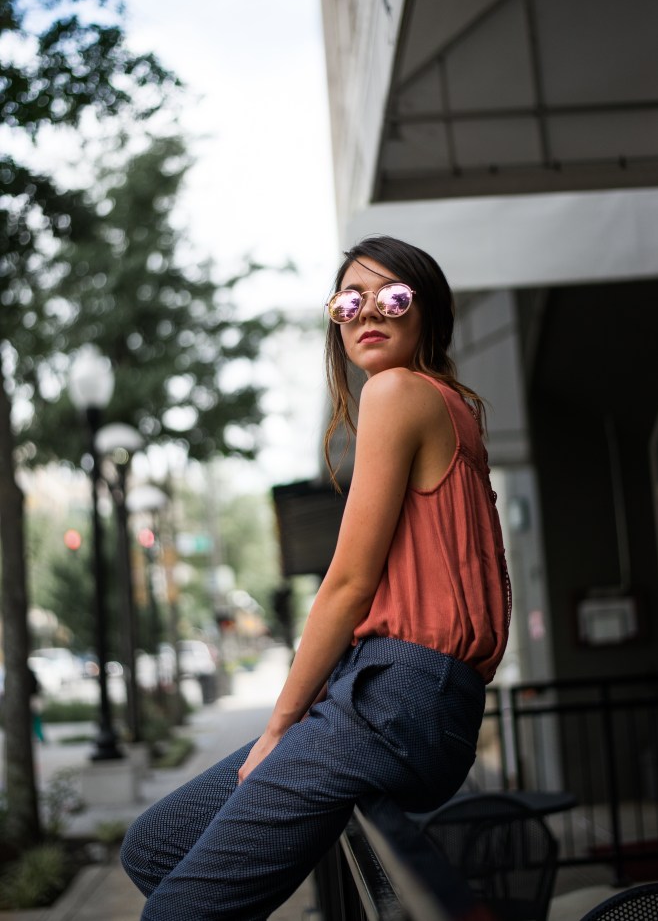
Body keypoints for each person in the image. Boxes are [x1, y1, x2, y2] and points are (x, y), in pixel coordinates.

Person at [121, 235, 511, 920]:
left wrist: (279, 728)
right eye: (348, 300)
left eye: (393, 297)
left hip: (396, 697)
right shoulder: (453, 410)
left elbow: (347, 583)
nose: (368, 313)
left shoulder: (398, 391)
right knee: (155, 847)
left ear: (428, 315)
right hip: (404, 700)